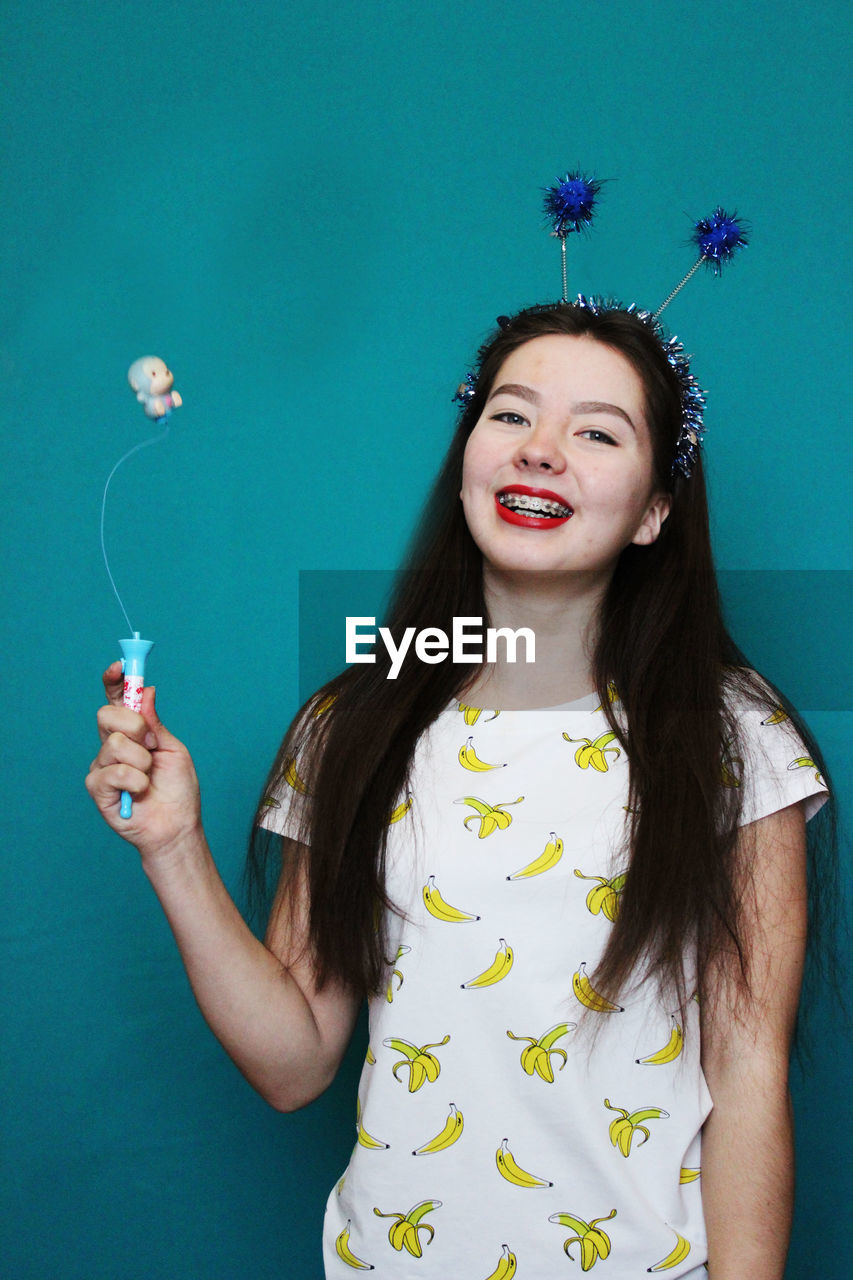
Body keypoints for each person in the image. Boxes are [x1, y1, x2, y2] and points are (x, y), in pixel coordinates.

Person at [87, 301, 833, 1279]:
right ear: (468, 456)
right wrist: (173, 847)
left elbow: (746, 1078)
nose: (540, 450)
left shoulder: (732, 733)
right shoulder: (351, 721)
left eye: (597, 432)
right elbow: (293, 1059)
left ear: (654, 509)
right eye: (510, 414)